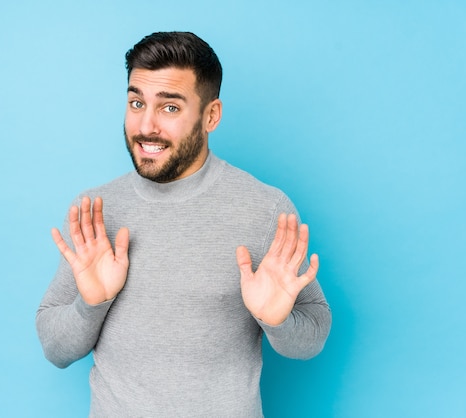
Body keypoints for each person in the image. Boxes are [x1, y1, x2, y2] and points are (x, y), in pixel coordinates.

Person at [36, 31, 331, 417]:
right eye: (136, 102)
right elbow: (55, 350)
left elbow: (312, 336)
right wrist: (91, 304)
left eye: (170, 108)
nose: (146, 126)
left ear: (211, 115)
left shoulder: (264, 208)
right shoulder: (95, 212)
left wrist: (277, 321)